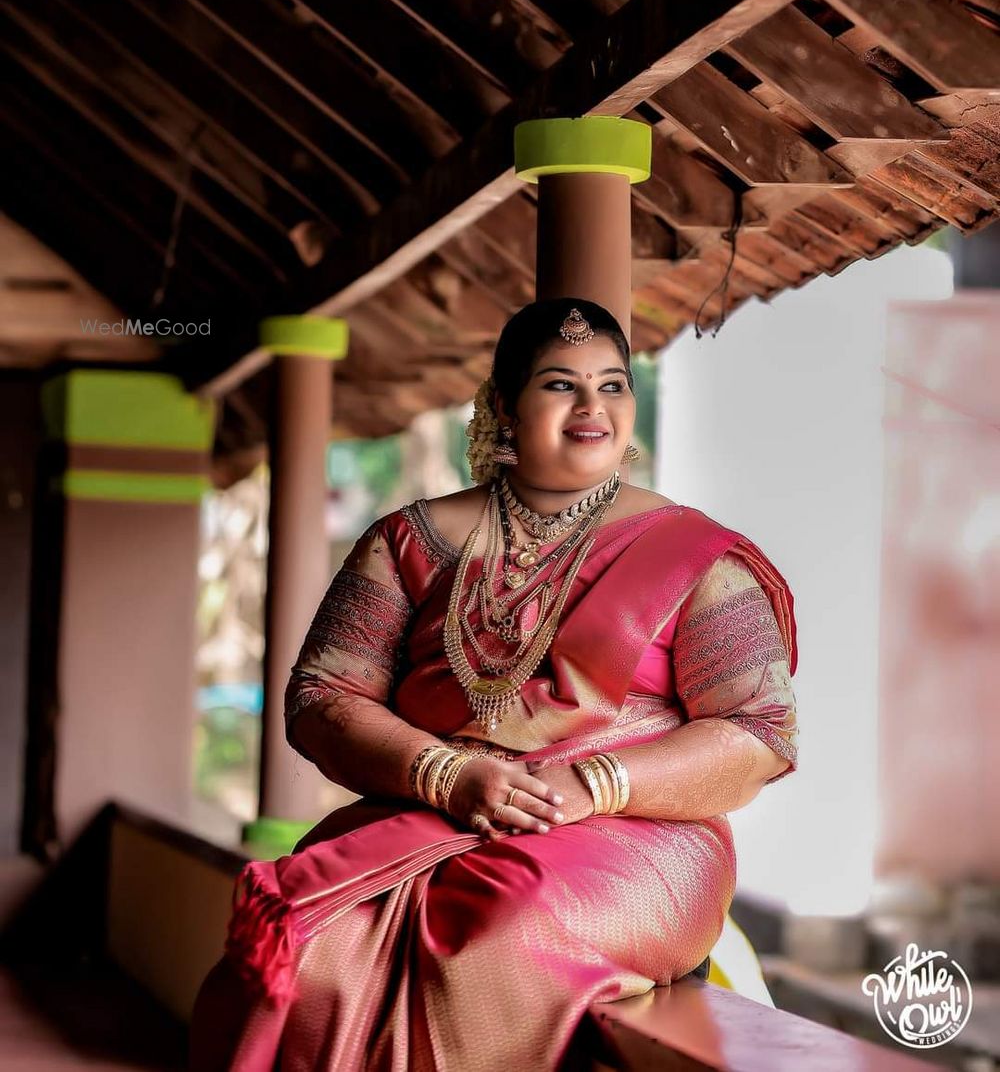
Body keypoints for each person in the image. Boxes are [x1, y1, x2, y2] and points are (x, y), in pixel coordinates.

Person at [190, 298, 798, 1072]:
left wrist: (594, 783)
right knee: (308, 949)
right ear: (505, 407)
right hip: (428, 813)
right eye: (559, 385)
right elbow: (321, 696)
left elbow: (760, 729)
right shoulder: (410, 540)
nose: (592, 407)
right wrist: (448, 774)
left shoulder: (697, 556)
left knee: (501, 933)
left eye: (613, 386)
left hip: (633, 831)